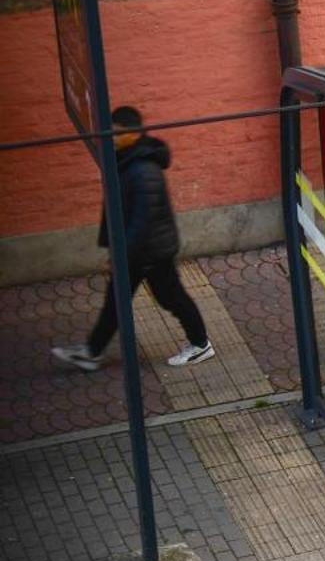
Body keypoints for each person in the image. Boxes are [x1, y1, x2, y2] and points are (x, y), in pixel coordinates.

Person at [53, 105, 215, 371]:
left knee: (170, 298)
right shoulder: (128, 159)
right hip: (141, 250)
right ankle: (92, 351)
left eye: (117, 133)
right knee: (117, 300)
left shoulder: (143, 170)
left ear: (133, 134)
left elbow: (141, 222)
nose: (112, 138)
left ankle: (200, 345)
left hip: (150, 252)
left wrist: (118, 255)